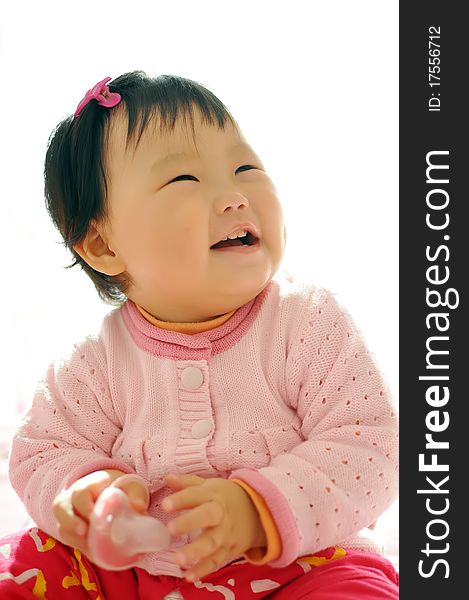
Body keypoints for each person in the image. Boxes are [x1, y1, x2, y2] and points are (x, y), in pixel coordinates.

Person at [0, 71, 399, 598]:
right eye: (184, 180)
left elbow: (371, 441)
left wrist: (256, 511)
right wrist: (86, 492)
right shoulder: (95, 362)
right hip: (133, 573)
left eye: (245, 167)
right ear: (101, 244)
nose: (234, 195)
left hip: (304, 564)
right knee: (25, 565)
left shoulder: (307, 323)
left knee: (358, 590)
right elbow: (41, 450)